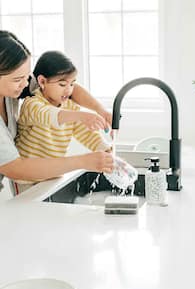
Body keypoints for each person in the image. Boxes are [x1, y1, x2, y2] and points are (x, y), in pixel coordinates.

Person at [0, 30, 113, 195]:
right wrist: (82, 161)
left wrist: (100, 111)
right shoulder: (33, 104)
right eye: (18, 79)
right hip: (24, 177)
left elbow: (65, 87)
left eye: (26, 76)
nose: (26, 84)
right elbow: (15, 168)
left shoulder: (15, 87)